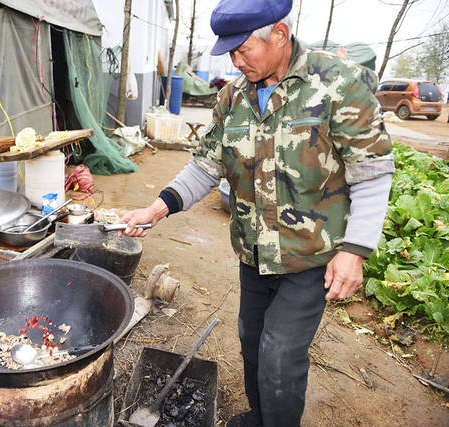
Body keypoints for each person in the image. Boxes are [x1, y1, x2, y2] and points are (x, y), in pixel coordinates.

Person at [120, 0, 394, 426]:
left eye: (243, 49)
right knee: (250, 341)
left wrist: (355, 249)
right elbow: (206, 165)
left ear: (279, 35)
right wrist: (157, 208)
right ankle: (259, 416)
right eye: (230, 51)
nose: (235, 60)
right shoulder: (232, 98)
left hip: (310, 256)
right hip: (254, 254)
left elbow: (373, 173)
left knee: (280, 352)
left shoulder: (338, 82)